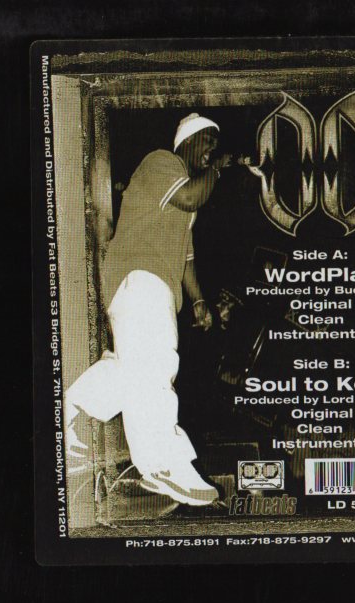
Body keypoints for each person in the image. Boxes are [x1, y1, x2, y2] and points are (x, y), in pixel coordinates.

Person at [64, 113, 232, 506]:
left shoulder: (181, 196)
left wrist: (198, 300)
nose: (212, 149)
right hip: (142, 276)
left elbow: (185, 256)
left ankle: (67, 413)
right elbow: (191, 196)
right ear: (187, 140)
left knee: (133, 369)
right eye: (208, 139)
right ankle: (162, 463)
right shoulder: (161, 162)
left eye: (216, 143)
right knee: (155, 364)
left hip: (149, 283)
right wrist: (219, 170)